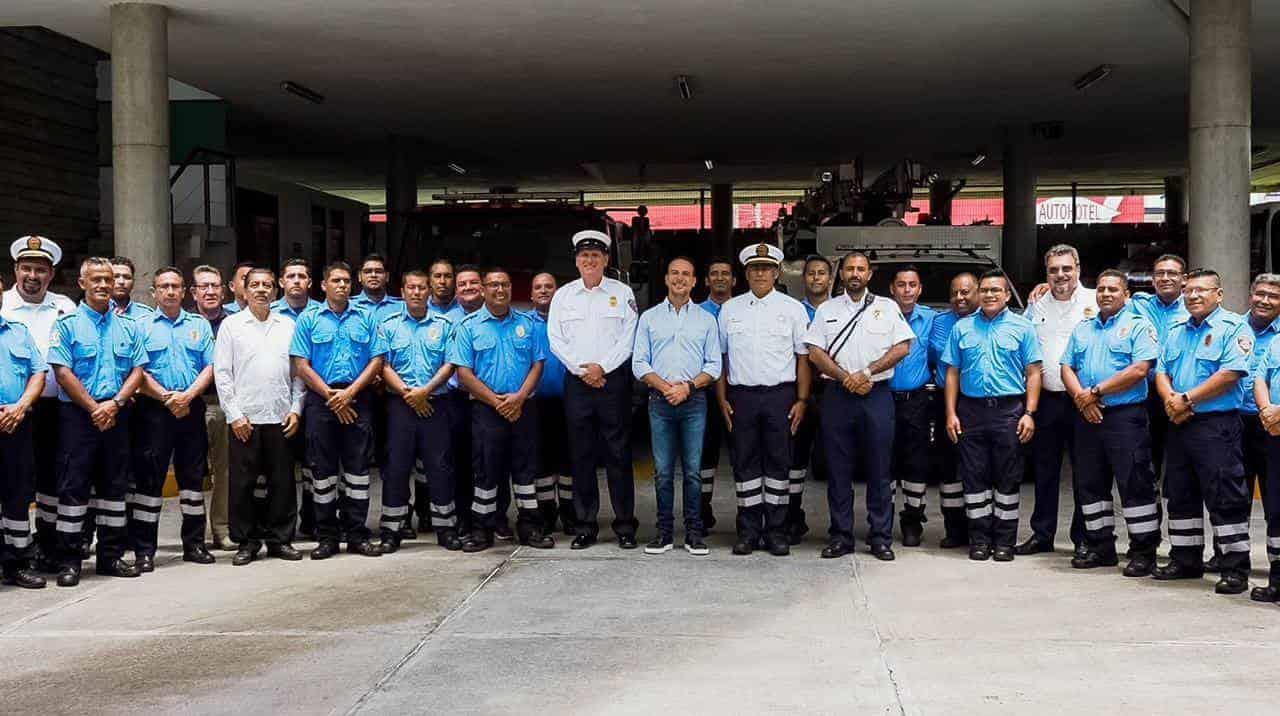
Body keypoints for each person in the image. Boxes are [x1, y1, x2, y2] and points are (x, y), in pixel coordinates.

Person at [46, 257, 149, 586]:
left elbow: (138, 370)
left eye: (108, 279)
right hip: (78, 416)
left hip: (117, 415)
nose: (105, 285)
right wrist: (95, 408)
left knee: (114, 488)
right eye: (97, 280)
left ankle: (111, 556)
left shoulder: (128, 326)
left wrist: (115, 404)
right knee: (73, 488)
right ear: (82, 284)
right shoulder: (67, 325)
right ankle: (70, 560)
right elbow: (62, 372)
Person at [805, 252, 913, 560]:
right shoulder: (826, 309)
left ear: (869, 274)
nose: (855, 273)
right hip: (837, 395)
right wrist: (844, 377)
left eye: (860, 269)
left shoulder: (887, 307)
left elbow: (903, 346)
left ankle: (879, 537)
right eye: (850, 268)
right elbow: (814, 351)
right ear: (841, 274)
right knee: (838, 469)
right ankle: (841, 536)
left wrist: (866, 373)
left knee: (880, 468)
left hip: (876, 394)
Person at [1152, 269, 1252, 594]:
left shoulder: (1233, 326)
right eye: (1189, 291)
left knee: (1225, 496)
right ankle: (1185, 559)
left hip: (1216, 425)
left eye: (1201, 291)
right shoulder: (1177, 329)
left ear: (1219, 295)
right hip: (1179, 423)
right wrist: (1170, 399)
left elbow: (1231, 373)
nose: (1193, 296)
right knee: (1180, 493)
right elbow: (1162, 370)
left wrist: (1187, 399)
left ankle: (1233, 567)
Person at [1059, 269, 1161, 575]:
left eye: (1113, 290)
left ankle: (1143, 551)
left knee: (1135, 484)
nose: (1105, 294)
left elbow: (1140, 369)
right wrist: (1081, 398)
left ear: (1126, 295)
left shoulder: (1138, 327)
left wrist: (1095, 393)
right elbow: (1066, 366)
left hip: (1124, 417)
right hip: (1087, 415)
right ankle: (1100, 546)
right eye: (1101, 289)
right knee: (1089, 484)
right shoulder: (1083, 329)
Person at [547, 230, 640, 550]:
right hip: (578, 383)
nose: (590, 261)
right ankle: (586, 524)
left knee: (618, 454)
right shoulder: (564, 296)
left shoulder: (622, 291)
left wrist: (603, 368)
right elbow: (555, 339)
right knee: (582, 456)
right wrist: (581, 370)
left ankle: (625, 524)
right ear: (576, 260)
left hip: (612, 382)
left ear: (606, 260)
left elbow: (629, 337)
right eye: (584, 256)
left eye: (595, 256)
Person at [716, 243, 811, 556]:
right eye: (755, 268)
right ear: (745, 273)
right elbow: (721, 359)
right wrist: (722, 399)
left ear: (777, 272)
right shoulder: (730, 309)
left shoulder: (792, 309)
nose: (761, 273)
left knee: (778, 464)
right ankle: (748, 531)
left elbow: (802, 358)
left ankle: (776, 531)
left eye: (767, 268)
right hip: (741, 396)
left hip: (780, 396)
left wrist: (801, 399)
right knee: (744, 466)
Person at [941, 270, 1042, 562]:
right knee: (974, 478)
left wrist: (1030, 413)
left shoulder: (1022, 328)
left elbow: (1034, 372)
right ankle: (980, 540)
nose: (989, 295)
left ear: (1007, 295)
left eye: (995, 290)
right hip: (970, 410)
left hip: (1009, 410)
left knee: (1007, 479)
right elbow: (952, 372)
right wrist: (950, 413)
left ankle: (1004, 542)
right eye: (984, 290)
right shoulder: (962, 328)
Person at [290, 261, 387, 560]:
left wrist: (350, 393)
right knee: (323, 473)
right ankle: (327, 537)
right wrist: (331, 396)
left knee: (358, 471)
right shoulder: (309, 319)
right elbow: (301, 365)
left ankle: (357, 534)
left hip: (358, 397)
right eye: (336, 280)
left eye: (346, 281)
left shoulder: (367, 317)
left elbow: (377, 360)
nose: (342, 285)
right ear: (323, 285)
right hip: (322, 400)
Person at [450, 268, 551, 552]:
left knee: (525, 470)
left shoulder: (528, 324)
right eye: (493, 285)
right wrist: (497, 402)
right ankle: (482, 529)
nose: (499, 290)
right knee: (486, 472)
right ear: (483, 289)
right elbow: (464, 373)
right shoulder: (469, 327)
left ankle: (530, 526)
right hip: (486, 409)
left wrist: (519, 398)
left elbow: (538, 364)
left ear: (511, 288)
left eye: (504, 284)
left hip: (523, 407)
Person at [214, 266, 306, 566]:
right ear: (244, 289)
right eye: (255, 284)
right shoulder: (231, 326)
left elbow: (298, 373)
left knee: (282, 483)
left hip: (281, 416)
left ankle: (281, 539)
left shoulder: (287, 326)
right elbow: (222, 374)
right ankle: (247, 541)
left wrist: (296, 409)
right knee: (242, 485)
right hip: (246, 419)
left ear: (275, 291)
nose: (262, 290)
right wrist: (234, 414)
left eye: (267, 285)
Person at [128, 267, 217, 571]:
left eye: (175, 286)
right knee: (149, 480)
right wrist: (167, 397)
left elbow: (210, 366)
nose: (169, 291)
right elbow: (137, 371)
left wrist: (187, 397)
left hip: (191, 407)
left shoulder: (200, 325)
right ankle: (144, 551)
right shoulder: (140, 326)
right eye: (163, 286)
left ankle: (194, 544)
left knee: (192, 480)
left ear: (184, 291)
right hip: (153, 410)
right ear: (153, 292)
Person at [633, 257, 721, 555]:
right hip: (660, 401)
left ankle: (694, 533)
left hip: (694, 401)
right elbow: (639, 362)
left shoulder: (706, 320)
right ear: (666, 279)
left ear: (695, 281)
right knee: (663, 471)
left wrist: (687, 387)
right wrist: (665, 387)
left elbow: (714, 365)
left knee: (694, 471)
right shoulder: (649, 318)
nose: (680, 279)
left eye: (686, 274)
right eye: (674, 273)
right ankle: (664, 533)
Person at [1, 236, 76, 570]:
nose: (33, 275)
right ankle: (13, 553)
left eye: (41, 270)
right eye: (27, 268)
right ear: (16, 270)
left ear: (51, 274)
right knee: (14, 483)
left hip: (55, 409)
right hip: (11, 413)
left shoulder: (64, 307)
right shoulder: (2, 306)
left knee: (52, 482)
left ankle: (48, 547)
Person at [378, 270, 461, 553]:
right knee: (396, 467)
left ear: (429, 292)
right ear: (402, 292)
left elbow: (450, 363)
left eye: (421, 287)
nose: (416, 292)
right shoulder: (388, 325)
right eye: (411, 287)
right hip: (399, 404)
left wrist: (425, 392)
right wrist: (408, 394)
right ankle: (392, 529)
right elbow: (384, 365)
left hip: (435, 403)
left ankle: (445, 527)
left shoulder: (444, 324)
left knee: (440, 466)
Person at [1018, 245, 1092, 557]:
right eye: (1053, 270)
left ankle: (1084, 537)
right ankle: (1042, 534)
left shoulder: (1094, 300)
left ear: (1077, 268)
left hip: (1083, 400)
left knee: (1085, 472)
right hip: (1046, 400)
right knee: (1044, 470)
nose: (1060, 275)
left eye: (1066, 268)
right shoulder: (1036, 304)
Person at [1217, 274, 1280, 574]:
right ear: (1250, 294)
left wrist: (1269, 410)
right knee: (1230, 495)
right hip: (1232, 421)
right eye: (1261, 294)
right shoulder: (1231, 328)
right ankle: (1229, 557)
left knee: (1274, 497)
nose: (1265, 300)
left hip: (1273, 426)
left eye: (1274, 296)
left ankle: (1276, 566)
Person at [886, 265, 938, 547]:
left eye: (912, 285)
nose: (907, 290)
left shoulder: (932, 319)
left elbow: (968, 314)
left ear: (920, 289)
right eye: (901, 284)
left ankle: (912, 521)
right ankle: (881, 522)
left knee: (915, 463)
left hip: (917, 401)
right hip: (882, 398)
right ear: (892, 289)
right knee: (884, 463)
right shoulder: (878, 316)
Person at [926, 273, 979, 548]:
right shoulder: (939, 322)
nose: (960, 297)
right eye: (955, 292)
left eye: (966, 292)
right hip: (945, 402)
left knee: (977, 466)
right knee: (949, 467)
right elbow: (933, 359)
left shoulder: (987, 321)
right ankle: (954, 528)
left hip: (975, 401)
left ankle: (979, 529)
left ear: (979, 292)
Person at [270, 258, 322, 537]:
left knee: (314, 465)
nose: (297, 281)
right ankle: (281, 526)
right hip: (277, 400)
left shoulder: (321, 314)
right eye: (291, 276)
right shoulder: (269, 313)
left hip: (315, 399)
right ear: (281, 282)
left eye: (302, 276)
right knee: (280, 468)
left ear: (310, 283)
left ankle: (313, 520)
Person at [1127, 254, 1189, 482]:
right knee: (1145, 455)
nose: (1165, 278)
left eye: (1171, 273)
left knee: (1180, 455)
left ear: (1184, 279)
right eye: (1159, 274)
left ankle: (1179, 506)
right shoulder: (1137, 304)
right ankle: (1149, 506)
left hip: (1180, 391)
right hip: (1146, 392)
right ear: (1152, 280)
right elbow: (1104, 297)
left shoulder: (1194, 307)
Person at [0, 309, 48, 589]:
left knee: (17, 495)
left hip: (17, 423)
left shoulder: (19, 331)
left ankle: (18, 563)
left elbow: (38, 372)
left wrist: (21, 406)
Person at [787, 255, 832, 544]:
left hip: (833, 391)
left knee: (835, 458)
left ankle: (839, 526)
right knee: (795, 458)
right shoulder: (793, 311)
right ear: (804, 279)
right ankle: (792, 517)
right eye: (811, 273)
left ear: (830, 279)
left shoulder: (842, 309)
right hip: (800, 391)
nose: (816, 278)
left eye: (821, 273)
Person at [191, 265, 236, 550]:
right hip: (189, 405)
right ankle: (193, 536)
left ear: (224, 290)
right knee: (191, 470)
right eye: (203, 286)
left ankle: (221, 528)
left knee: (225, 470)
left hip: (223, 404)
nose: (210, 291)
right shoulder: (183, 322)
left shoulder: (235, 323)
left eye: (215, 286)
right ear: (193, 292)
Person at [439, 265, 485, 536]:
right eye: (462, 284)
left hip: (488, 400)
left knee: (490, 460)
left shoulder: (495, 315)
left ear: (482, 286)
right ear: (456, 291)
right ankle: (464, 518)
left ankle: (496, 516)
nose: (468, 287)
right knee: (459, 461)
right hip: (456, 399)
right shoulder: (445, 321)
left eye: (473, 282)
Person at [528, 272, 573, 535]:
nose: (544, 291)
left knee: (568, 458)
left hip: (568, 400)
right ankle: (546, 511)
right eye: (538, 287)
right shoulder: (522, 323)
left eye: (549, 286)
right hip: (535, 403)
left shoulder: (569, 322)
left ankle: (569, 510)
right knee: (541, 460)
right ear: (532, 294)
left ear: (557, 292)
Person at [698, 257, 736, 530]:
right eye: (714, 273)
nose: (720, 277)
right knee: (704, 454)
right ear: (706, 281)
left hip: (739, 392)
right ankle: (701, 509)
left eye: (725, 273)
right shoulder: (695, 313)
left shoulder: (745, 311)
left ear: (734, 281)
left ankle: (748, 515)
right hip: (703, 392)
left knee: (742, 453)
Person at [1249, 324, 1280, 601]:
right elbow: (1260, 378)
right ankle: (1278, 578)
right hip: (1275, 432)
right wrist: (1267, 411)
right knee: (1276, 508)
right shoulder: (1277, 341)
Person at [351, 253, 405, 323]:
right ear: (359, 276)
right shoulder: (348, 305)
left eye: (378, 271)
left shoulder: (402, 307)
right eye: (368, 272)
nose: (373, 275)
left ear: (387, 276)